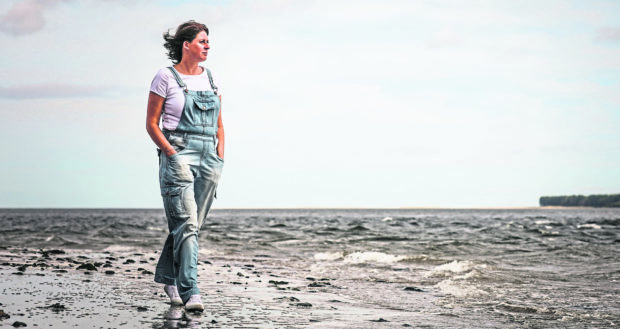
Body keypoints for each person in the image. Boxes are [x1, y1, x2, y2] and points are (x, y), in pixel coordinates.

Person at [146, 20, 224, 312]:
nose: (207, 46)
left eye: (208, 42)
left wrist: (220, 155)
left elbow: (220, 123)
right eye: (202, 41)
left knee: (190, 226)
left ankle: (169, 277)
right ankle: (191, 291)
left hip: (209, 158)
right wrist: (170, 152)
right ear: (186, 45)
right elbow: (151, 124)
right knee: (187, 224)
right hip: (177, 153)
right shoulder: (164, 77)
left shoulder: (212, 79)